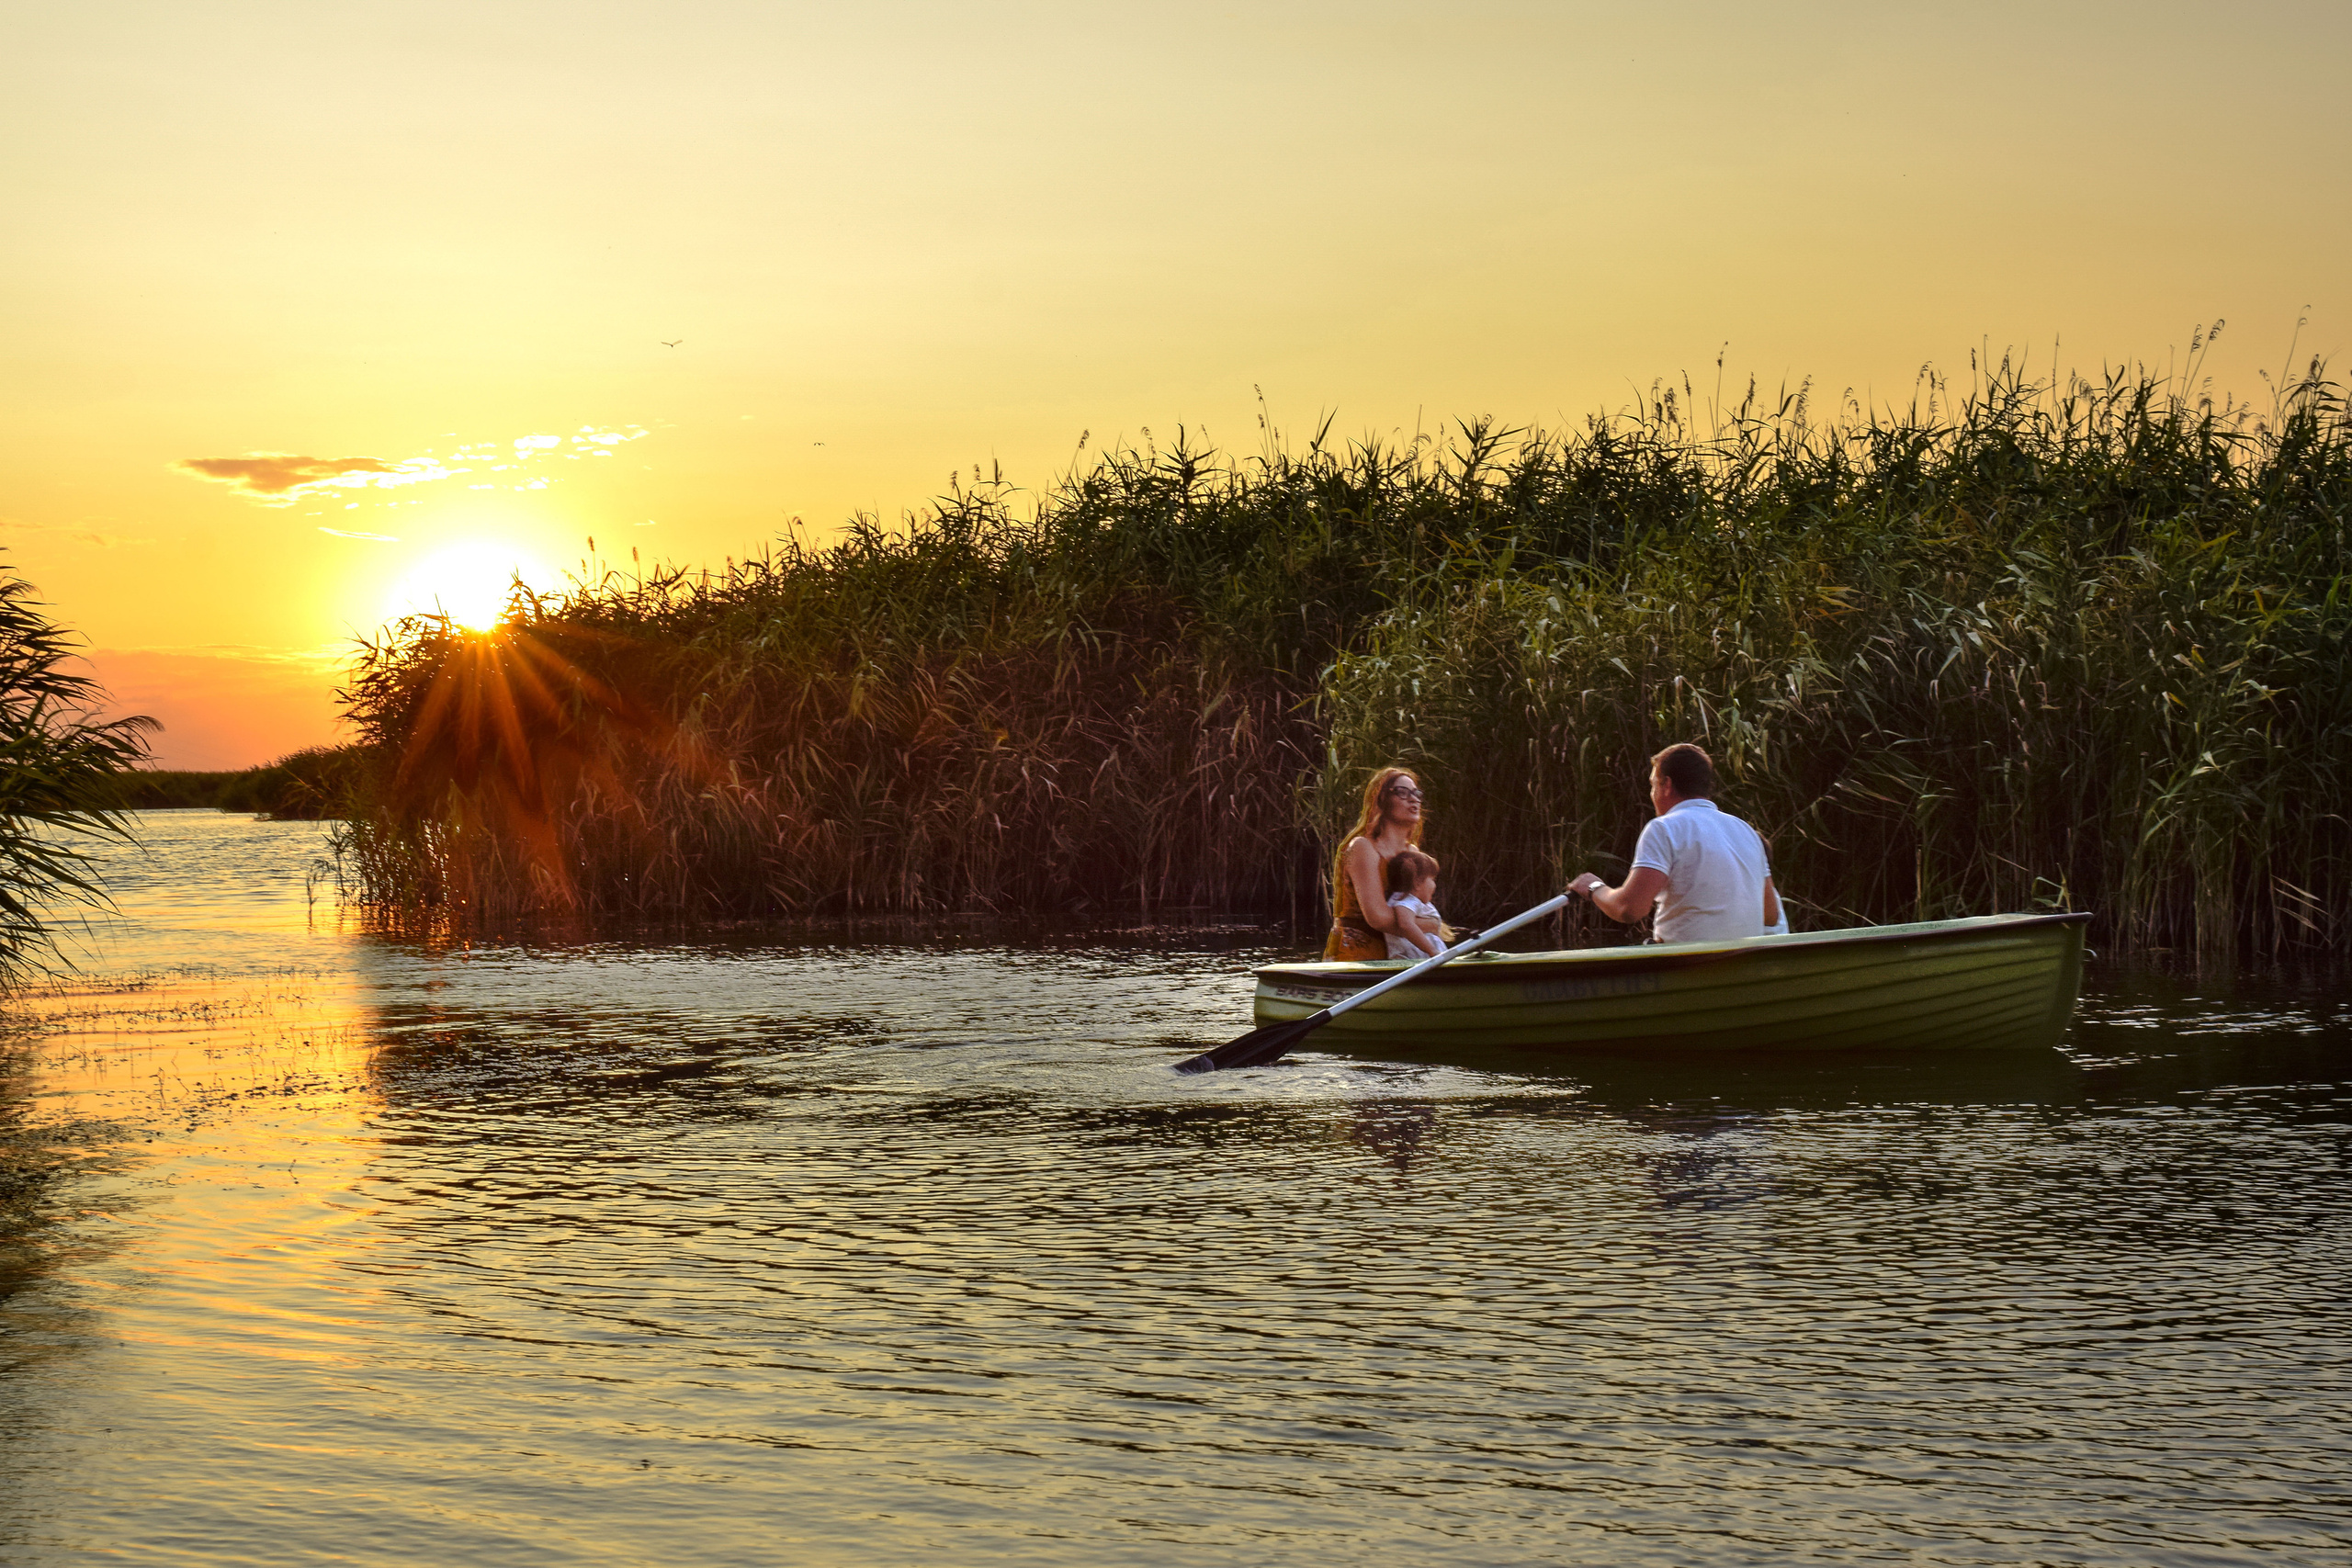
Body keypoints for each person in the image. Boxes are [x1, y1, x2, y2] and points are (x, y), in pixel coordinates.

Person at [1567, 742, 1782, 942]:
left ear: (1667, 785)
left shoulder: (1663, 828)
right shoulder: (1746, 831)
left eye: (1653, 785)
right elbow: (1770, 916)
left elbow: (1629, 909)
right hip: (1741, 961)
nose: (1652, 795)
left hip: (1688, 963)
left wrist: (1593, 887)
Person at [1324, 766, 1429, 962]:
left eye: (1416, 793)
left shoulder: (1413, 853)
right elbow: (1379, 918)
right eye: (1402, 792)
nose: (1413, 799)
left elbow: (1421, 907)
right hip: (1357, 958)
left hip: (1401, 955)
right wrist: (1431, 925)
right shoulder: (1362, 847)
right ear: (1381, 799)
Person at [1382, 847, 1448, 960]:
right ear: (1417, 883)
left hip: (1417, 958)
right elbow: (1405, 924)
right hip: (1421, 959)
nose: (1434, 885)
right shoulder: (1409, 900)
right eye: (1432, 879)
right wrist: (1432, 951)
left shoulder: (1402, 899)